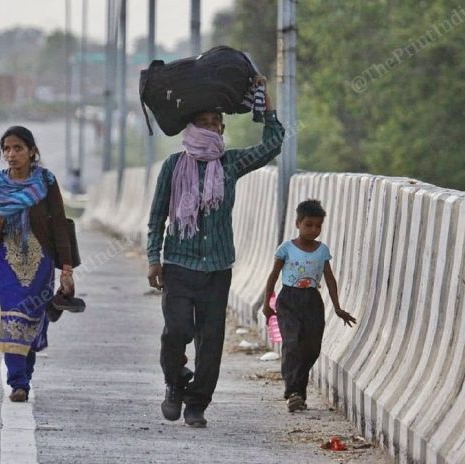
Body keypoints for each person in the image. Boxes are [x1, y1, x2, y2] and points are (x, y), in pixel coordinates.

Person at [146, 75, 285, 427]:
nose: (209, 129)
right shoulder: (173, 167)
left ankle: (197, 404)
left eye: (215, 124)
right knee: (174, 333)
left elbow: (272, 146)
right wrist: (153, 257)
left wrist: (265, 106)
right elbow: (158, 215)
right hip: (178, 263)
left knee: (211, 342)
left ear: (222, 131)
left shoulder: (231, 164)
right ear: (190, 128)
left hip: (218, 267)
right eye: (202, 123)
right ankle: (174, 383)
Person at [0, 125, 74, 402]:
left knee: (32, 315)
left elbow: (59, 224)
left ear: (32, 151)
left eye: (18, 148)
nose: (11, 154)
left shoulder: (45, 180)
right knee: (13, 315)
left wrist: (66, 268)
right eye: (6, 149)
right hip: (7, 257)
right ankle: (18, 382)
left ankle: (24, 375)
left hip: (40, 256)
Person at [263, 199, 357, 412]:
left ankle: (299, 393)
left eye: (318, 226)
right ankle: (292, 392)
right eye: (308, 224)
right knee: (292, 343)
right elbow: (274, 275)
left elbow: (330, 278)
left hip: (313, 301)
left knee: (311, 349)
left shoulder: (322, 250)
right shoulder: (286, 248)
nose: (313, 230)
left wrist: (338, 307)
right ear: (297, 224)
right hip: (289, 300)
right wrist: (267, 302)